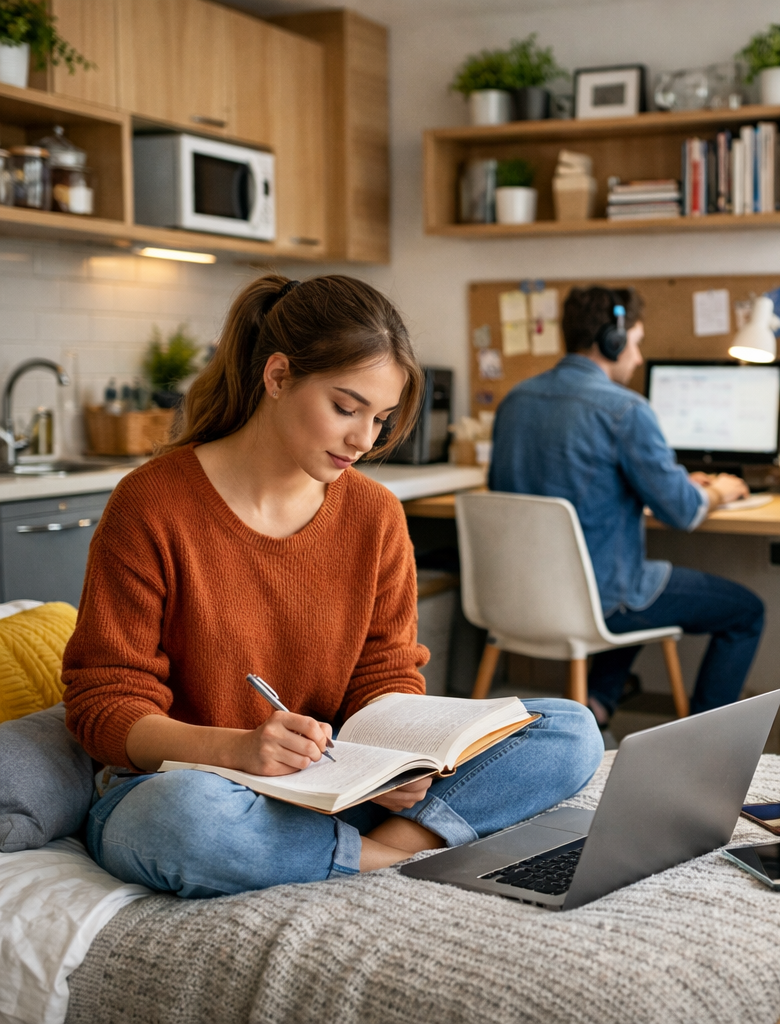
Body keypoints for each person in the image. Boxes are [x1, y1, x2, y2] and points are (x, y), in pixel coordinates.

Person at [63, 274, 603, 899]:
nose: (363, 439)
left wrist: (401, 761)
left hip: (333, 789)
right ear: (277, 376)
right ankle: (380, 854)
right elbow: (104, 705)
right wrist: (241, 750)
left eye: (380, 418)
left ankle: (384, 849)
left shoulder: (375, 514)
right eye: (345, 408)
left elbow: (387, 677)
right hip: (195, 784)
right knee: (179, 822)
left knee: (568, 728)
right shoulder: (153, 502)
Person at [489, 285, 765, 727]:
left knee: (643, 577)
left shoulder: (514, 402)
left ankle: (597, 703)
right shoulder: (625, 410)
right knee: (744, 610)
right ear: (612, 341)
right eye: (635, 343)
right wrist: (718, 491)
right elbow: (682, 511)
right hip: (600, 600)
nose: (637, 358)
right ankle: (704, 737)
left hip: (514, 600)